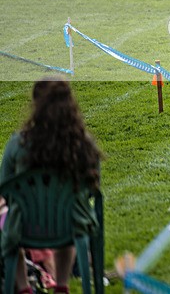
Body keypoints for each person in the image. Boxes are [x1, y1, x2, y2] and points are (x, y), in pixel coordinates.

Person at [1, 78, 102, 294]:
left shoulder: (18, 144)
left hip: (24, 226)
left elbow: (5, 188)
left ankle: (23, 287)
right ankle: (62, 284)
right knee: (72, 217)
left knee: (6, 228)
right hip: (71, 224)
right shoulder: (82, 144)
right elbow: (94, 188)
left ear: (36, 105)